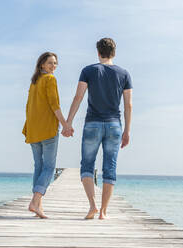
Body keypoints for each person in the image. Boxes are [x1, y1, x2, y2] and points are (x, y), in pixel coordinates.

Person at [65, 38, 133, 219]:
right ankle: (104, 212)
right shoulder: (124, 74)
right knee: (110, 167)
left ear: (98, 52)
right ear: (114, 53)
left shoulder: (88, 71)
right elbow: (128, 105)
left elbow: (78, 97)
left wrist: (68, 122)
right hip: (114, 125)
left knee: (87, 165)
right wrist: (127, 130)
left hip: (92, 124)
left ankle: (92, 206)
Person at [22, 52, 73, 219]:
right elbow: (54, 105)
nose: (53, 66)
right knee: (49, 167)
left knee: (39, 166)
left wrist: (28, 128)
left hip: (34, 130)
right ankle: (35, 201)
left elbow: (28, 107)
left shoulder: (34, 82)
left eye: (55, 63)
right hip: (47, 129)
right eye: (50, 63)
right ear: (42, 64)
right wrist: (66, 125)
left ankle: (38, 206)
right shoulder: (50, 79)